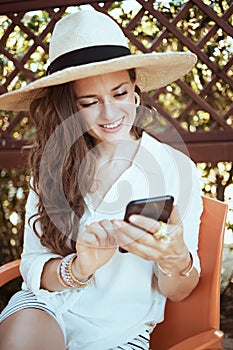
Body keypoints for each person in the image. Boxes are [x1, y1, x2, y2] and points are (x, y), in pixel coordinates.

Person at [0, 10, 203, 350]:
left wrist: (174, 256)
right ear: (68, 109)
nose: (110, 114)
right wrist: (79, 268)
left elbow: (180, 291)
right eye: (90, 102)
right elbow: (34, 264)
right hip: (45, 306)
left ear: (135, 90)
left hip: (120, 330)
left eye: (120, 94)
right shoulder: (50, 166)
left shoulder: (174, 168)